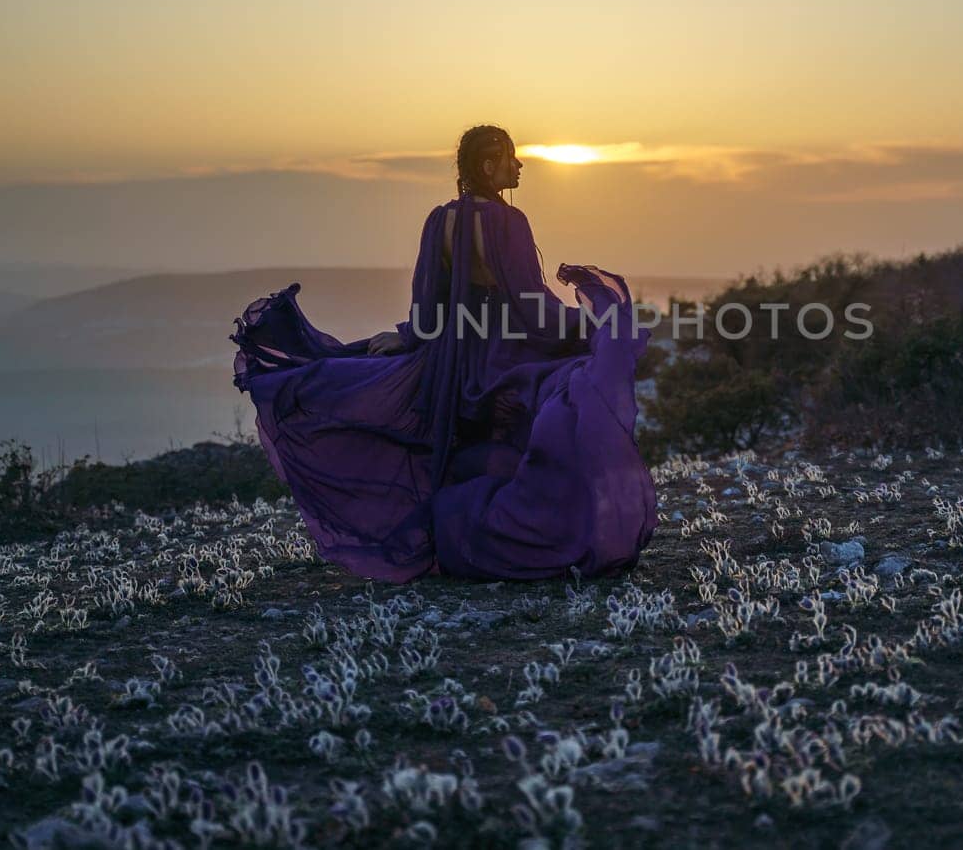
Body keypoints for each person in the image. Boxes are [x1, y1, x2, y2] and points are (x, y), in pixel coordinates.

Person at [230, 124, 657, 582]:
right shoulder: (508, 222)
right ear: (489, 165)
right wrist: (590, 323)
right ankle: (558, 531)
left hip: (453, 356)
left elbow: (428, 300)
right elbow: (531, 304)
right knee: (571, 398)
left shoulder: (440, 220)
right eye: (511, 158)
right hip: (503, 353)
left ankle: (472, 531)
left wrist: (410, 337)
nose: (519, 165)